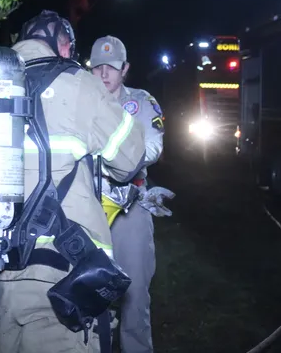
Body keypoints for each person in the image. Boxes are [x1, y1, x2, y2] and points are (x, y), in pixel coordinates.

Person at [0, 11, 147, 353]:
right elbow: (130, 159)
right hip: (65, 276)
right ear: (63, 44)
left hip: (0, 273)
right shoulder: (79, 83)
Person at [89, 35, 165, 353]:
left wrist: (115, 162)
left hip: (130, 204)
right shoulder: (81, 102)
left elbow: (153, 147)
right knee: (88, 290)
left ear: (125, 69)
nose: (105, 73)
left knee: (135, 292)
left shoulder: (141, 101)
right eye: (98, 67)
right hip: (88, 206)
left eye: (112, 67)